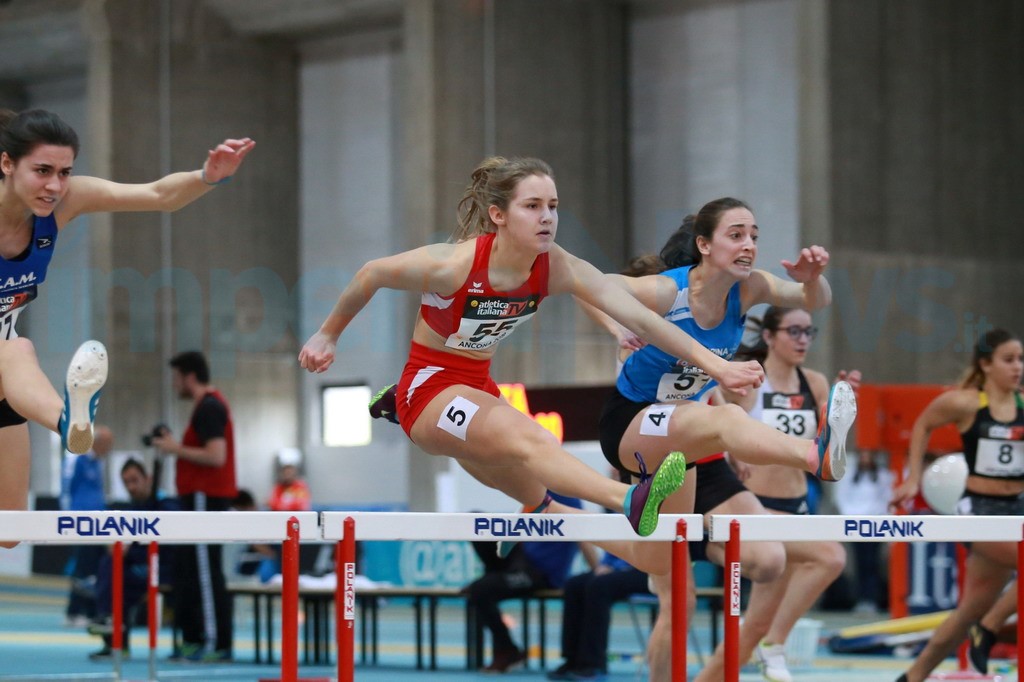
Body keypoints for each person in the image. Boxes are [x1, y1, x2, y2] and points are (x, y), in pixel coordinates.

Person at [299, 156, 769, 564]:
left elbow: (641, 318)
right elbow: (371, 273)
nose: (547, 217)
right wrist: (327, 334)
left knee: (538, 493)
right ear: (498, 215)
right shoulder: (454, 265)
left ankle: (549, 512)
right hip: (432, 386)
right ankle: (628, 498)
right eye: (532, 206)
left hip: (477, 386)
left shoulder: (554, 265)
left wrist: (715, 366)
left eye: (553, 206)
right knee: (532, 438)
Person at [0, 108, 253, 548]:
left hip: (8, 384)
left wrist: (206, 177)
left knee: (10, 531)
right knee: (17, 348)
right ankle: (64, 420)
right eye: (42, 171)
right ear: (7, 163)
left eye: (64, 173)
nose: (55, 186)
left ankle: (72, 424)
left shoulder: (62, 203)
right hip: (8, 363)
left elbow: (158, 195)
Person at [595, 198, 856, 579]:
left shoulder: (749, 289)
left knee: (663, 559)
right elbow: (591, 286)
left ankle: (554, 510)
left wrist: (812, 279)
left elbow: (815, 300)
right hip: (630, 422)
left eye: (754, 236)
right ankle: (815, 455)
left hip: (680, 435)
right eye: (736, 236)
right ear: (704, 244)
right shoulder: (667, 291)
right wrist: (616, 328)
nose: (748, 245)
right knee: (726, 417)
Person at [696, 307, 857, 682]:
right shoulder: (749, 381)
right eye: (794, 331)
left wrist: (846, 414)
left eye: (809, 332)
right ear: (769, 336)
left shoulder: (814, 382)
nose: (803, 340)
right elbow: (716, 421)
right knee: (831, 555)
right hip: (752, 508)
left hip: (795, 509)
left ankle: (756, 651)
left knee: (749, 632)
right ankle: (776, 645)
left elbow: (826, 451)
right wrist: (731, 452)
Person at [891, 328, 1024, 682]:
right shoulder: (966, 403)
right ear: (986, 364)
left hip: (1016, 509)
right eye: (1008, 360)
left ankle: (912, 677)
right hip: (978, 511)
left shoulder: (1023, 404)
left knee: (968, 610)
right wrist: (913, 477)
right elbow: (923, 425)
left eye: (1021, 360)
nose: (1018, 367)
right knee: (981, 613)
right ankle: (990, 628)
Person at [151, 350, 238, 663]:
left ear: (189, 376)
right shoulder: (206, 407)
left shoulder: (210, 407)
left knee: (205, 573)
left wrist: (175, 448)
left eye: (177, 378)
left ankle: (216, 642)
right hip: (196, 497)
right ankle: (195, 638)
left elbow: (216, 456)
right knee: (189, 571)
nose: (175, 385)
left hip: (206, 498)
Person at [464, 493, 597, 673]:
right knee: (475, 518)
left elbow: (583, 537)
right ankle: (491, 576)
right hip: (520, 560)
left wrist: (597, 570)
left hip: (541, 574)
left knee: (480, 590)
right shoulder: (536, 491)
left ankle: (507, 650)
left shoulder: (567, 497)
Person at [86, 458, 179, 661]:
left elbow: (170, 549)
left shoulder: (167, 505)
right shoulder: (132, 509)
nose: (131, 487)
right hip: (139, 566)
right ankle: (114, 636)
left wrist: (130, 553)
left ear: (148, 479)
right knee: (111, 567)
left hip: (163, 568)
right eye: (126, 482)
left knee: (114, 576)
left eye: (135, 480)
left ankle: (112, 630)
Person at [546, 550, 650, 681]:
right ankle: (573, 660)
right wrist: (604, 565)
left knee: (599, 585)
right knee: (574, 584)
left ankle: (594, 664)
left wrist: (617, 568)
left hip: (650, 571)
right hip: (621, 568)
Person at [60, 424, 113, 626]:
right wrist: (67, 520)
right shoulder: (76, 458)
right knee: (81, 569)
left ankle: (91, 611)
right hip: (79, 523)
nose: (109, 449)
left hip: (98, 524)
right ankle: (73, 612)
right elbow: (66, 490)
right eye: (107, 444)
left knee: (95, 570)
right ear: (97, 441)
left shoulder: (98, 463)